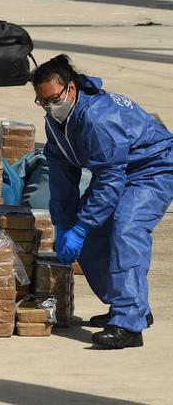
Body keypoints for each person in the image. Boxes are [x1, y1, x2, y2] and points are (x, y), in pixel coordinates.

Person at [32, 55, 173, 349]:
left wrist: (81, 224)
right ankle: (130, 306)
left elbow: (109, 179)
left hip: (153, 168)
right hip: (119, 170)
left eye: (53, 99)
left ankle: (129, 325)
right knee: (93, 234)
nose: (49, 107)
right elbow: (60, 172)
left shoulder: (98, 118)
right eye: (42, 102)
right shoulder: (56, 120)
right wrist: (63, 222)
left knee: (126, 228)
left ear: (71, 89)